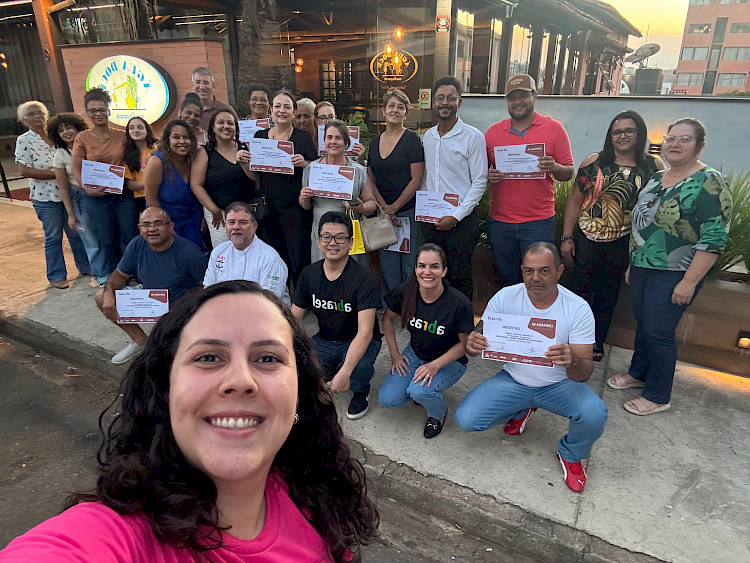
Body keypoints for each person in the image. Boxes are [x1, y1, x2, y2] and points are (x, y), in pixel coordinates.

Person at [2, 280, 379, 561]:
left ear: (299, 394)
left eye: (267, 358)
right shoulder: (115, 538)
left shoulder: (317, 499)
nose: (240, 381)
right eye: (208, 357)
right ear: (165, 390)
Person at [455, 243, 607, 493]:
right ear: (522, 271)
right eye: (529, 271)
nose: (535, 278)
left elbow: (585, 373)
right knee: (466, 420)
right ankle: (522, 407)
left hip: (559, 384)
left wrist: (573, 359)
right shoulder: (505, 297)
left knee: (595, 414)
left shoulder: (577, 308)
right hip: (514, 378)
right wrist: (472, 343)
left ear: (559, 271)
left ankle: (571, 453)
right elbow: (478, 338)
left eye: (544, 271)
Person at [608, 118, 732, 416]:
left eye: (684, 139)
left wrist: (689, 282)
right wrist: (634, 262)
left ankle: (658, 394)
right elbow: (643, 225)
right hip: (643, 266)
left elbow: (714, 237)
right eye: (670, 138)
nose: (675, 144)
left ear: (699, 145)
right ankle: (639, 373)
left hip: (677, 271)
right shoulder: (656, 177)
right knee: (644, 324)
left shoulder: (709, 181)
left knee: (659, 330)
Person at [561, 110, 663, 361]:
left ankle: (596, 342)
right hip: (588, 237)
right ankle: (571, 338)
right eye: (617, 131)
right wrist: (566, 238)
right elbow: (575, 201)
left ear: (640, 134)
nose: (622, 136)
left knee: (608, 293)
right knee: (579, 291)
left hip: (623, 241)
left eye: (629, 130)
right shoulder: (594, 162)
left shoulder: (653, 166)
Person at [485, 74, 574, 288]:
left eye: (523, 96)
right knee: (508, 280)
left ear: (534, 96)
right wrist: (488, 176)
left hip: (538, 222)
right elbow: (480, 172)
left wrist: (554, 167)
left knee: (538, 281)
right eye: (512, 97)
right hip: (500, 222)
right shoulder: (492, 133)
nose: (517, 102)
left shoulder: (554, 129)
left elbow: (568, 172)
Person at [292, 211, 382, 420]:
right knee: (300, 360)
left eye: (340, 238)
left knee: (359, 367)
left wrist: (346, 372)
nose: (333, 243)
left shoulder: (364, 278)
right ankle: (330, 367)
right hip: (326, 339)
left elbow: (366, 332)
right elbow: (293, 319)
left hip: (357, 338)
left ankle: (361, 390)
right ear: (318, 241)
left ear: (351, 243)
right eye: (327, 237)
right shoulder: (309, 274)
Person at [378, 244, 474, 439]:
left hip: (449, 361)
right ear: (415, 269)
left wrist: (434, 365)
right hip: (415, 354)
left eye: (434, 266)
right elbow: (387, 319)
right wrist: (395, 354)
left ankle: (437, 414)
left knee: (419, 391)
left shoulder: (458, 303)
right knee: (388, 400)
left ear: (444, 271)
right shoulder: (406, 291)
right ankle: (421, 391)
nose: (427, 272)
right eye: (422, 266)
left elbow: (464, 345)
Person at [94, 207, 207, 364]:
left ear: (170, 227)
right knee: (101, 295)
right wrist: (108, 295)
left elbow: (206, 288)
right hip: (149, 299)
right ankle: (140, 341)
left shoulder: (190, 253)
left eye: (158, 223)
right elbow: (119, 275)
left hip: (180, 308)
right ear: (140, 228)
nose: (152, 229)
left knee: (169, 357)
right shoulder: (137, 244)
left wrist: (185, 313)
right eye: (146, 225)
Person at [237, 90, 318, 283]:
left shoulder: (302, 137)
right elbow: (255, 175)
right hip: (268, 209)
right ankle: (277, 295)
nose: (282, 110)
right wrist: (244, 163)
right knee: (272, 258)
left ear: (293, 112)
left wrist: (305, 164)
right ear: (271, 110)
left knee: (297, 259)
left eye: (287, 107)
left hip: (295, 209)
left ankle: (299, 297)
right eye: (278, 106)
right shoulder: (260, 136)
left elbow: (316, 171)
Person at [421, 76, 488, 301]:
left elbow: (480, 181)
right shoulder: (428, 137)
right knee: (432, 274)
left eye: (450, 98)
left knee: (459, 276)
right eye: (440, 98)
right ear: (433, 102)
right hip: (431, 220)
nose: (444, 102)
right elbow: (426, 178)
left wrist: (456, 216)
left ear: (459, 102)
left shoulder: (473, 137)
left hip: (461, 222)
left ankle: (462, 320)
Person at [15, 102, 89, 289]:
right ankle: (57, 275)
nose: (37, 116)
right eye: (31, 114)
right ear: (24, 119)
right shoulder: (24, 140)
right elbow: (24, 170)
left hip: (71, 192)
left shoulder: (56, 134)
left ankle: (86, 266)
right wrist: (58, 174)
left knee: (76, 232)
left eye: (40, 112)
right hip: (46, 197)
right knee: (54, 236)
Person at [72, 87, 137, 279]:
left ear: (109, 110)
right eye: (93, 110)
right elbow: (76, 168)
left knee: (130, 235)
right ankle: (115, 277)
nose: (98, 114)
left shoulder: (122, 135)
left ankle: (135, 273)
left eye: (101, 109)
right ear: (87, 113)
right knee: (107, 239)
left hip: (123, 194)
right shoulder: (82, 138)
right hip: (96, 197)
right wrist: (87, 188)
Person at [368, 89, 425, 298]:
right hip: (383, 215)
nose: (395, 110)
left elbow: (416, 179)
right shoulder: (374, 143)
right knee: (388, 264)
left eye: (400, 107)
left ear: (405, 114)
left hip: (407, 212)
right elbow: (370, 178)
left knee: (410, 264)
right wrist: (384, 208)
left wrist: (395, 207)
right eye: (391, 106)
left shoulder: (411, 140)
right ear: (383, 111)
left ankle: (410, 305)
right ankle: (390, 307)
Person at [299, 119, 376, 263]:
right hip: (322, 236)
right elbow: (306, 206)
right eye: (329, 137)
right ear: (324, 141)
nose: (333, 142)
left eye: (338, 138)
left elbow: (372, 204)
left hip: (349, 236)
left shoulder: (358, 171)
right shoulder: (312, 169)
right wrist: (304, 197)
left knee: (350, 273)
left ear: (346, 143)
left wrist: (361, 207)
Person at [48, 112, 106, 285]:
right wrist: (71, 215)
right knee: (90, 239)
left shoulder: (93, 145)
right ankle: (102, 276)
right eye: (61, 130)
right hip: (78, 197)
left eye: (69, 127)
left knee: (109, 235)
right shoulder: (60, 154)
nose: (66, 132)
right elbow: (63, 187)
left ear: (78, 127)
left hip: (104, 195)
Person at [191, 109, 260, 248]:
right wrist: (214, 210)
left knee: (249, 252)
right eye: (221, 122)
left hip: (247, 214)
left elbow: (256, 179)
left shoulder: (245, 147)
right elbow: (196, 185)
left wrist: (245, 164)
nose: (226, 126)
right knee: (224, 253)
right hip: (220, 215)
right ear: (213, 127)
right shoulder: (204, 152)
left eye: (230, 123)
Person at [203, 202, 290, 305]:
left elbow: (269, 302)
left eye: (243, 222)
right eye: (231, 222)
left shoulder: (270, 259)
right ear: (225, 225)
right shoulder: (218, 252)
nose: (236, 227)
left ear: (254, 226)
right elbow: (208, 290)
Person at [144, 119, 203, 248]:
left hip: (193, 223)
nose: (182, 141)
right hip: (166, 224)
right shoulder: (157, 161)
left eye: (186, 137)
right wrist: (167, 228)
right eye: (176, 137)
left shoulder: (193, 160)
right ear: (167, 140)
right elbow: (151, 199)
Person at [123, 116, 157, 216]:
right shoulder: (127, 156)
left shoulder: (157, 149)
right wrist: (152, 182)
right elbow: (131, 185)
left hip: (159, 194)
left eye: (140, 127)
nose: (136, 130)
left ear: (147, 130)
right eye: (132, 128)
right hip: (140, 198)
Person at [191, 66, 237, 132]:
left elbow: (239, 133)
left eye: (206, 83)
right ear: (193, 85)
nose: (202, 87)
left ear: (213, 86)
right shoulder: (188, 111)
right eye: (197, 82)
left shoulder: (226, 109)